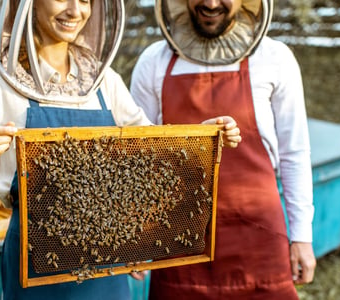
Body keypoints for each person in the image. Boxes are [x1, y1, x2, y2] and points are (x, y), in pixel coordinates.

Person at [0, 0, 240, 299]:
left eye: (85, 0)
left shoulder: (104, 81)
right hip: (35, 269)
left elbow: (153, 156)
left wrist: (202, 136)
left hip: (107, 264)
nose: (75, 10)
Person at [130, 0, 316, 299]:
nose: (212, 3)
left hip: (258, 240)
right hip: (180, 243)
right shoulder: (154, 61)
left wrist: (302, 237)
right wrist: (136, 237)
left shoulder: (274, 57)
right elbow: (138, 156)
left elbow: (294, 152)